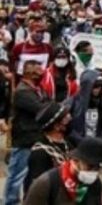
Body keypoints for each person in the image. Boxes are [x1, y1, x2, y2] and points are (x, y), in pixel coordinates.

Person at [4, 57, 52, 205]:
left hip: (34, 137)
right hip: (24, 138)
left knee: (28, 174)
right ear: (29, 73)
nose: (41, 73)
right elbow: (41, 109)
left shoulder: (37, 90)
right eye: (38, 70)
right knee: (17, 174)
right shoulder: (23, 92)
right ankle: (10, 201)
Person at [24, 136, 102, 205]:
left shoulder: (95, 184)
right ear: (75, 160)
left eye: (98, 167)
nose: (93, 172)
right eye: (90, 166)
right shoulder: (47, 184)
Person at [26, 101, 72, 186]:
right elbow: (38, 187)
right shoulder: (40, 152)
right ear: (56, 126)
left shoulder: (67, 143)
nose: (70, 119)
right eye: (66, 119)